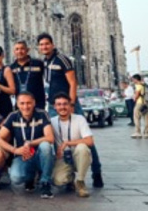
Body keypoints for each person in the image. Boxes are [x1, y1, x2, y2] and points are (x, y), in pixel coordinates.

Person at [37, 33, 104, 188]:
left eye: (47, 43)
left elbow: (73, 82)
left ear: (52, 44)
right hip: (54, 105)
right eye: (41, 44)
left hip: (68, 103)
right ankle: (68, 175)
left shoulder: (62, 59)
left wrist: (72, 103)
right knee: (59, 139)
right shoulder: (45, 62)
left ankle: (96, 171)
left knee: (84, 137)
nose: (44, 47)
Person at [0, 92, 56, 199]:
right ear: (17, 104)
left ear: (34, 103)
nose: (25, 107)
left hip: (38, 154)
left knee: (46, 146)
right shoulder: (13, 116)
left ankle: (45, 183)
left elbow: (50, 138)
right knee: (16, 178)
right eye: (22, 103)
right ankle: (30, 178)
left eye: (28, 103)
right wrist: (15, 150)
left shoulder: (42, 114)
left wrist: (30, 143)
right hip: (22, 155)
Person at [50, 92, 94, 198]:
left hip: (78, 154)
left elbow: (90, 141)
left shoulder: (79, 119)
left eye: (65, 104)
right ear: (55, 107)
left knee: (82, 147)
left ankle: (80, 182)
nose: (62, 107)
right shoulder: (51, 121)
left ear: (70, 105)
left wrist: (68, 143)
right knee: (58, 181)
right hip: (62, 157)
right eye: (59, 104)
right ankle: (70, 179)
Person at [10, 40, 46, 111]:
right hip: (20, 106)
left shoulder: (38, 64)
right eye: (17, 49)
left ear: (27, 50)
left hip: (38, 104)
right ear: (14, 52)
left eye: (22, 48)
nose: (19, 51)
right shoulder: (11, 68)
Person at [131, 74, 148, 139]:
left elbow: (137, 94)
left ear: (136, 79)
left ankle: (138, 132)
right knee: (146, 118)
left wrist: (134, 98)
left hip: (139, 103)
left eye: (133, 79)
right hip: (145, 103)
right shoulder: (144, 84)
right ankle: (146, 133)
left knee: (136, 117)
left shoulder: (138, 85)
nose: (132, 81)